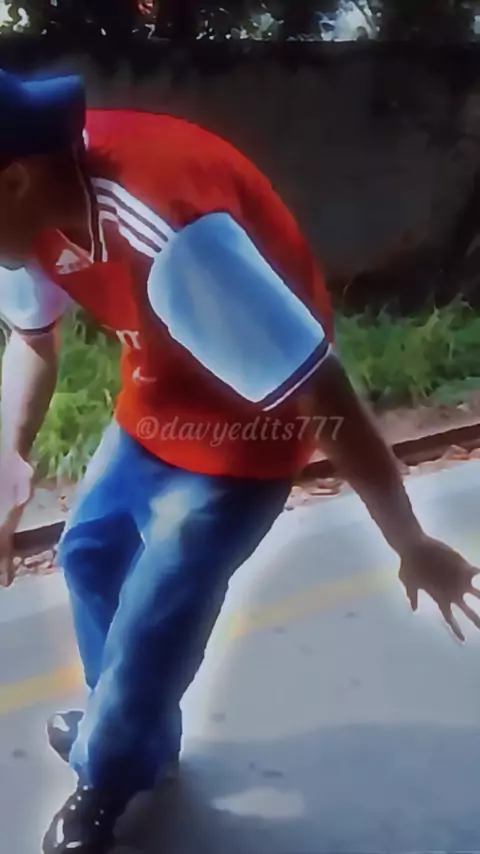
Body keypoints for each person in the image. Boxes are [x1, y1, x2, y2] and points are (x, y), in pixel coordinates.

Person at [0, 70, 478, 854]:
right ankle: (135, 732)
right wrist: (9, 461)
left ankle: (108, 775)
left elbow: (321, 392)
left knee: (156, 614)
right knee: (88, 553)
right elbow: (31, 340)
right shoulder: (26, 199)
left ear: (15, 179)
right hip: (158, 390)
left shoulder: (172, 233)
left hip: (254, 425)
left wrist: (409, 539)